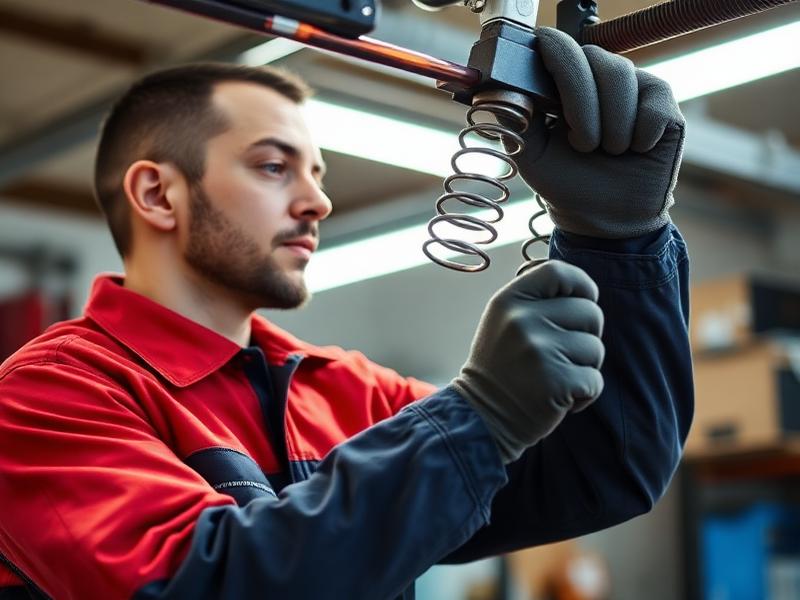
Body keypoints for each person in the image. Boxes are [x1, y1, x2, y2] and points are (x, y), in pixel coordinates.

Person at [0, 28, 692, 600]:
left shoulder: (347, 392)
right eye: (274, 167)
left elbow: (605, 468)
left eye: (318, 175)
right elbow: (206, 584)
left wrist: (621, 241)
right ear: (158, 194)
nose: (317, 203)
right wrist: (479, 417)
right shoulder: (44, 398)